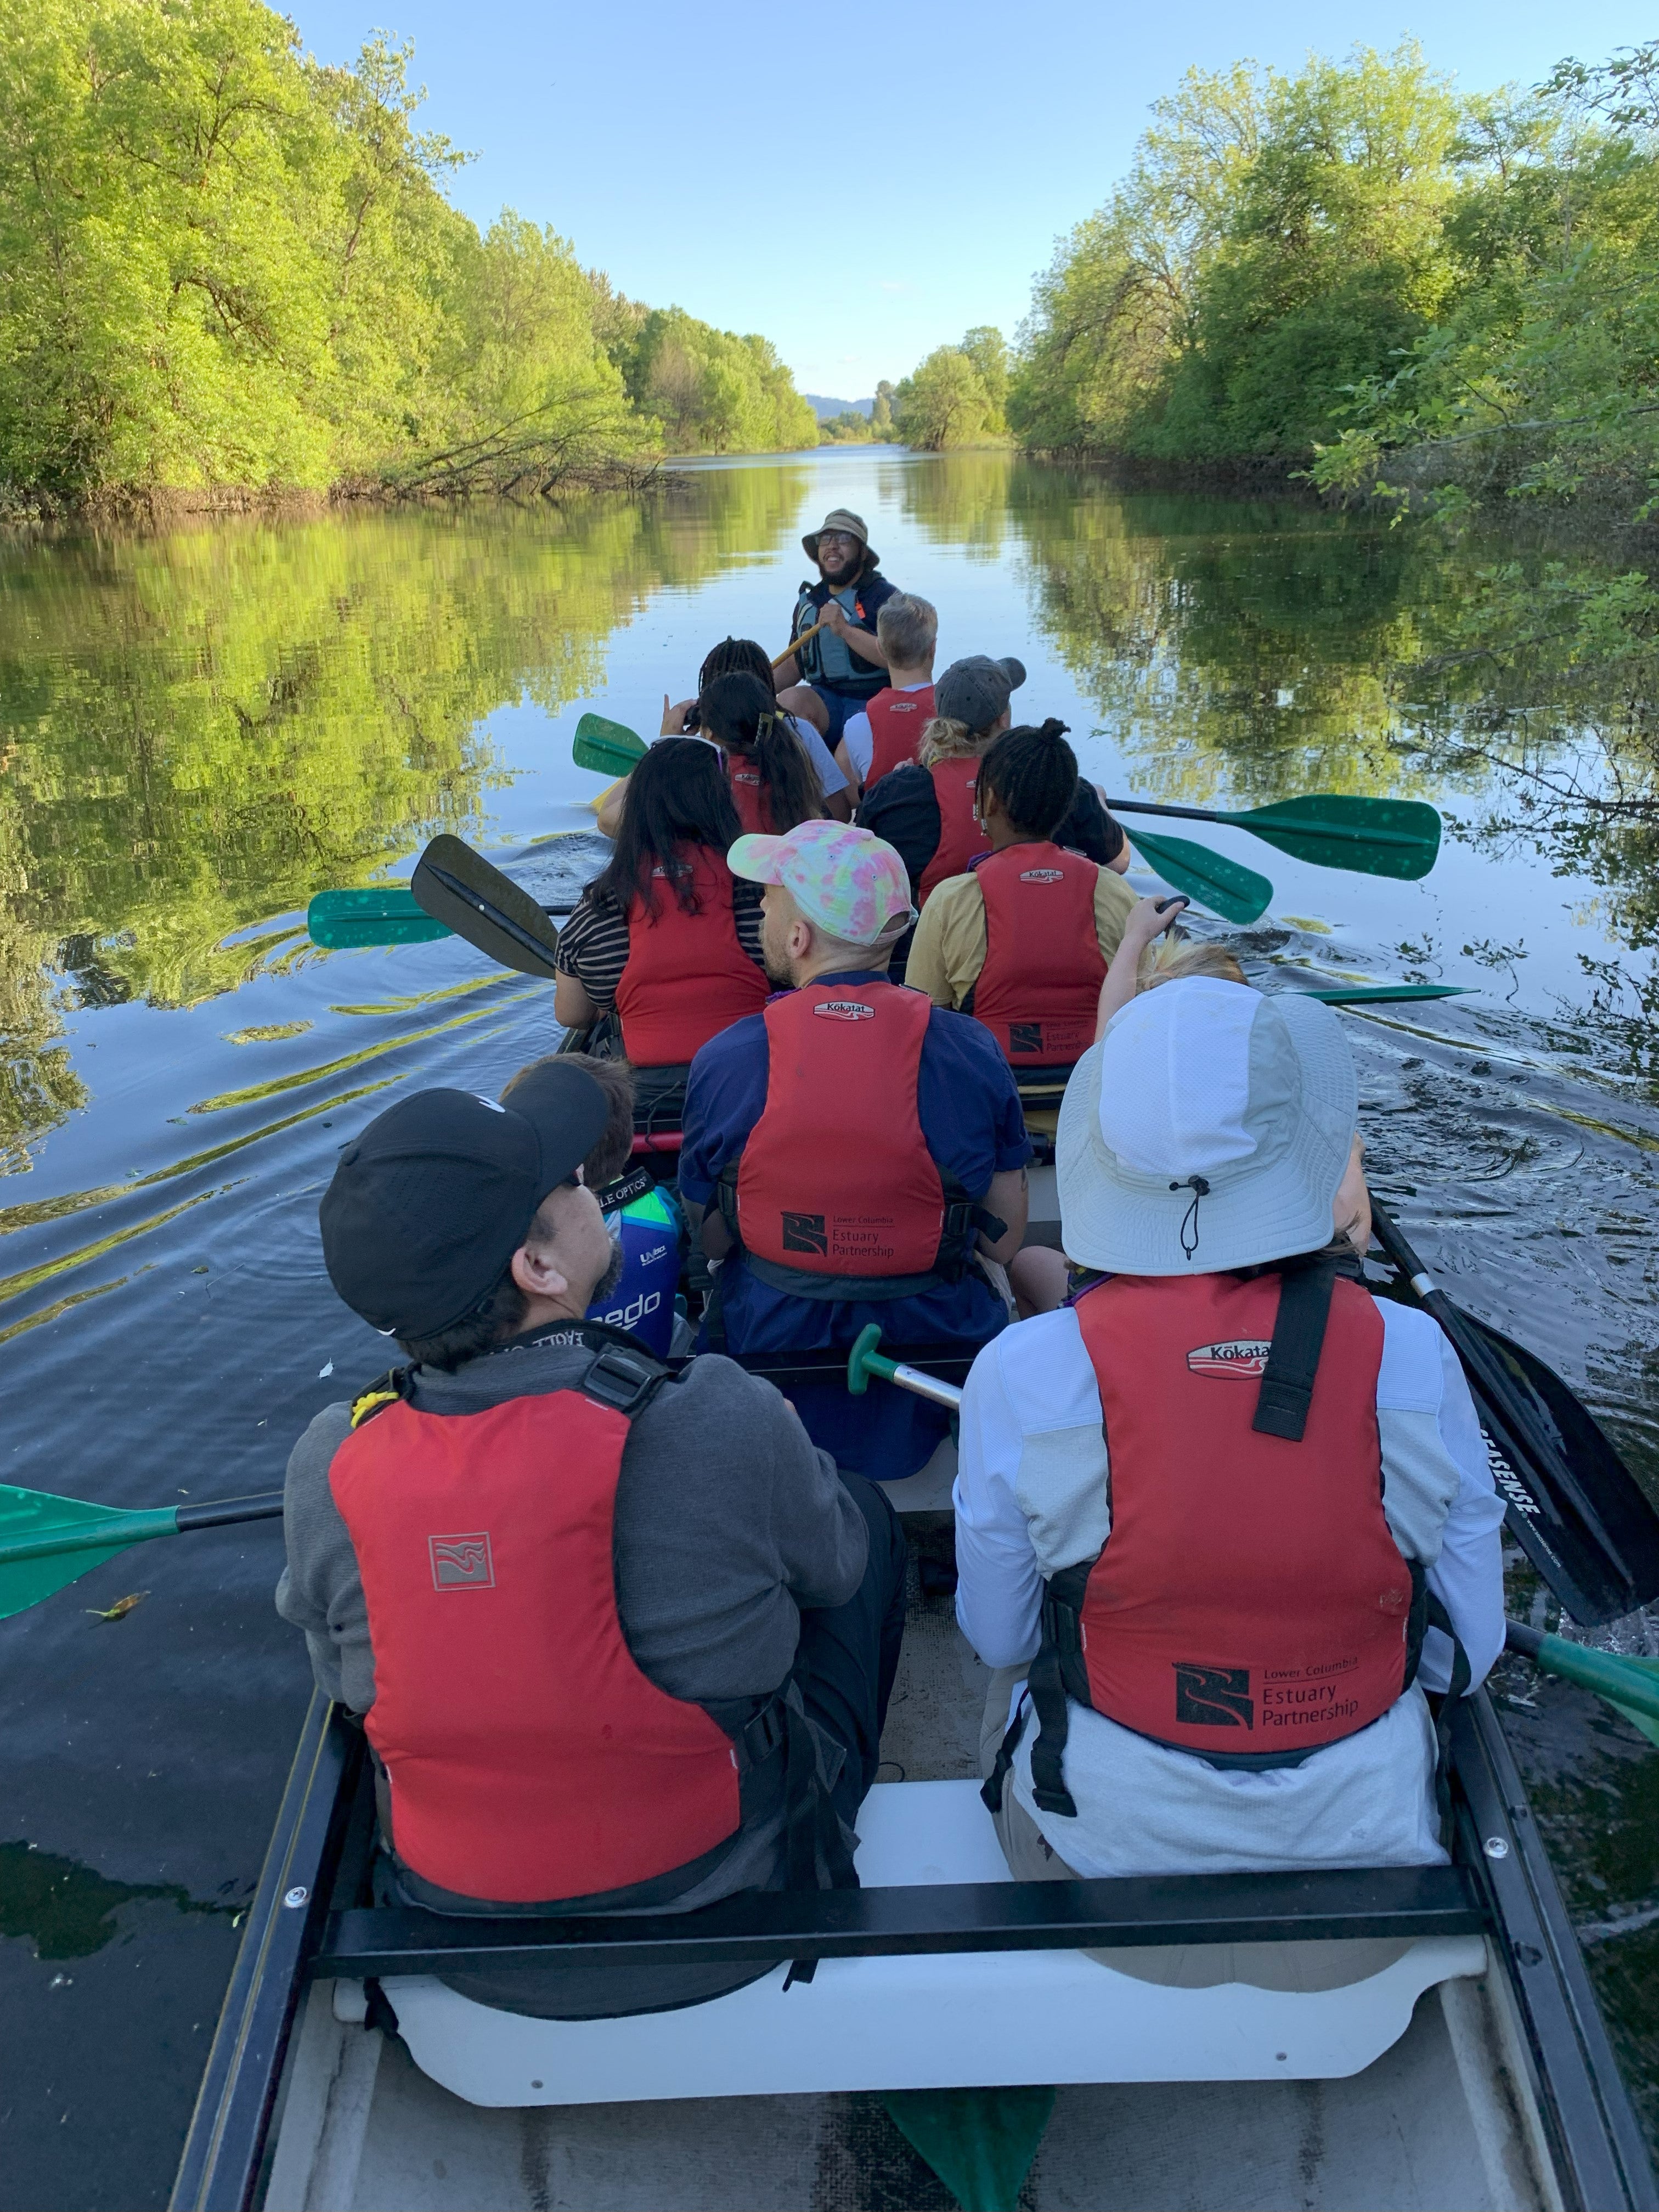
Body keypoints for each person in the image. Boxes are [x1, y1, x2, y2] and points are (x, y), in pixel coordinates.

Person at [277, 1062, 907, 2020]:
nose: (585, 1180)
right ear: (538, 1268)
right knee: (860, 1517)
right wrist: (781, 1462)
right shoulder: (718, 1414)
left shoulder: (329, 1459)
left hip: (456, 1930)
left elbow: (342, 1681)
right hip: (728, 1903)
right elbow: (835, 1572)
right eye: (567, 1181)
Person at [956, 979, 1506, 1888]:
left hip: (1098, 1868)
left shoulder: (1021, 1370)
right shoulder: (1412, 1351)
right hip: (1370, 1860)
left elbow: (998, 1636)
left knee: (1015, 1646)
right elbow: (1460, 1657)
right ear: (1305, 1154)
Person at [678, 820, 1031, 1482]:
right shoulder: (972, 1049)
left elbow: (717, 1241)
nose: (758, 907)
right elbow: (1005, 1242)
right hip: (935, 1358)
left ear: (798, 936)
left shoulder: (725, 1059)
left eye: (769, 898)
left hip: (774, 1351)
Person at [554, 738, 770, 1126]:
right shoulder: (761, 894)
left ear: (636, 809)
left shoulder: (599, 906)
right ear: (720, 800)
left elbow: (571, 1014)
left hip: (646, 1099)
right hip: (751, 1086)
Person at [907, 720, 1137, 1075]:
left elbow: (921, 1018)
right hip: (1090, 1097)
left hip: (993, 1100)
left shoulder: (950, 900)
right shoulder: (1115, 892)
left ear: (990, 801)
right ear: (1068, 805)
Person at [507, 1053, 689, 1358]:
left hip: (566, 1389)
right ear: (630, 1144)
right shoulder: (662, 1206)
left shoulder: (516, 1240)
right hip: (651, 1368)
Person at [665, 635, 852, 819]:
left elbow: (656, 815)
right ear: (767, 688)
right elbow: (840, 813)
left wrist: (667, 744)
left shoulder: (701, 753)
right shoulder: (798, 731)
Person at [774, 508, 900, 747]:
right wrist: (751, 690)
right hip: (826, 703)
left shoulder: (885, 598)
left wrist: (845, 630)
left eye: (843, 539)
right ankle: (807, 780)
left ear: (862, 552)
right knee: (788, 702)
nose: (832, 546)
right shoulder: (809, 602)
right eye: (826, 539)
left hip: (875, 704)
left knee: (857, 731)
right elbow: (794, 664)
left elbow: (903, 661)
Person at [836, 593, 938, 796]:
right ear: (933, 648)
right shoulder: (955, 713)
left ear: (880, 649)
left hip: (886, 825)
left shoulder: (858, 725)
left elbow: (852, 798)